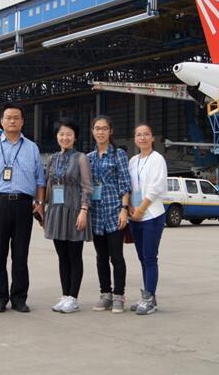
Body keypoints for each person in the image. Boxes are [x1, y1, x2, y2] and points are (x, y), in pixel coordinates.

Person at [0, 103, 46, 313]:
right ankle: (0, 297)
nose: (12, 121)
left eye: (16, 117)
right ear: (1, 121)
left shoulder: (31, 148)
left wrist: (40, 204)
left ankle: (19, 298)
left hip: (24, 205)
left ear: (22, 121)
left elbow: (40, 180)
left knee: (20, 254)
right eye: (8, 117)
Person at [44, 118, 92, 314]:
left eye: (69, 134)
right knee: (62, 257)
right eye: (61, 134)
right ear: (57, 136)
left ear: (75, 137)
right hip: (56, 211)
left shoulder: (81, 158)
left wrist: (84, 210)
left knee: (74, 256)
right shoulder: (52, 158)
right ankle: (65, 296)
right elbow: (48, 185)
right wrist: (43, 208)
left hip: (74, 211)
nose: (65, 137)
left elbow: (87, 187)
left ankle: (73, 298)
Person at [86, 115, 131, 314]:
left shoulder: (118, 154)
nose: (100, 132)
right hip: (96, 214)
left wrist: (124, 209)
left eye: (104, 128)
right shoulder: (89, 157)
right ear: (92, 131)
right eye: (97, 128)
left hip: (114, 212)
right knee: (101, 257)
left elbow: (125, 183)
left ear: (110, 131)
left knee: (117, 257)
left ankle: (119, 295)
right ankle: (105, 294)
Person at [127, 122, 167, 315]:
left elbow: (157, 187)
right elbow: (129, 186)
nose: (142, 138)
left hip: (151, 214)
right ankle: (148, 296)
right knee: (142, 257)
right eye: (138, 134)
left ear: (152, 138)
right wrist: (130, 208)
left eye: (146, 134)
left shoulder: (157, 159)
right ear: (135, 138)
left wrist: (142, 208)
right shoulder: (133, 161)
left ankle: (149, 299)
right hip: (135, 216)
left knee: (150, 257)